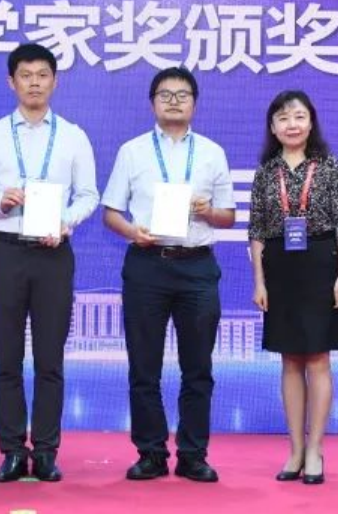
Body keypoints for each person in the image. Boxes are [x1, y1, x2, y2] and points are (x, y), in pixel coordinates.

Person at [0, 43, 99, 483]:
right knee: (7, 357)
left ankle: (45, 451)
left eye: (42, 75)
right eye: (26, 75)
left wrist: (66, 222)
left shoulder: (74, 136)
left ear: (55, 81)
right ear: (11, 82)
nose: (34, 83)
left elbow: (89, 195)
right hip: (6, 251)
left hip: (53, 254)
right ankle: (10, 451)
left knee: (49, 359)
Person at [101, 67, 235, 483]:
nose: (174, 101)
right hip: (147, 264)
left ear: (194, 103)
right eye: (165, 94)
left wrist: (208, 212)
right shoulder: (132, 151)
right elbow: (110, 213)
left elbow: (228, 217)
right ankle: (151, 452)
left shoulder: (212, 152)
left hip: (197, 266)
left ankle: (193, 454)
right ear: (152, 103)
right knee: (144, 367)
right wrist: (133, 232)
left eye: (182, 95)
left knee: (198, 368)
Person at [247, 90, 338, 486]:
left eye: (298, 116)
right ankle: (294, 449)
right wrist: (259, 281)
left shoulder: (328, 166)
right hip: (280, 269)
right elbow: (257, 230)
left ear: (311, 122)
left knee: (318, 359)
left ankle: (315, 450)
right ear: (273, 127)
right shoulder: (265, 172)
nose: (291, 124)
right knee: (290, 360)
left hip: (321, 264)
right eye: (283, 118)